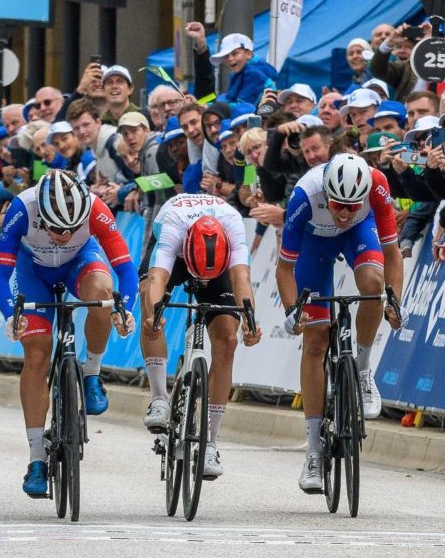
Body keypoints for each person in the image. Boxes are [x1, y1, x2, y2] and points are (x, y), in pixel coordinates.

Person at [0, 171, 138, 498]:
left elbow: (126, 270)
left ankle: (91, 373)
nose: (64, 234)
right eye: (57, 228)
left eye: (73, 228)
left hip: (79, 263)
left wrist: (123, 309)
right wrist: (10, 315)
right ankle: (37, 459)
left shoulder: (97, 208)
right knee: (37, 352)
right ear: (42, 213)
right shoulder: (22, 208)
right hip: (33, 273)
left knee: (102, 295)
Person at [276, 154, 407, 493]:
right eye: (338, 204)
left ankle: (362, 370)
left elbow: (393, 255)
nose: (346, 213)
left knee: (374, 285)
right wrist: (293, 310)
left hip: (358, 239)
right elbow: (284, 269)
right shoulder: (305, 195)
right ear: (326, 193)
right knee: (316, 342)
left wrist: (394, 300)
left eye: (353, 205)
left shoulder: (377, 185)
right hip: (313, 248)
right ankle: (314, 451)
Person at [138, 194, 261, 479]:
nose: (202, 282)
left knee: (228, 340)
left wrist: (250, 321)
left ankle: (210, 443)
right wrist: (154, 316)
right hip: (178, 253)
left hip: (215, 257)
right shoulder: (173, 230)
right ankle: (158, 398)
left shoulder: (233, 228)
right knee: (148, 299)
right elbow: (157, 279)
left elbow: (241, 278)